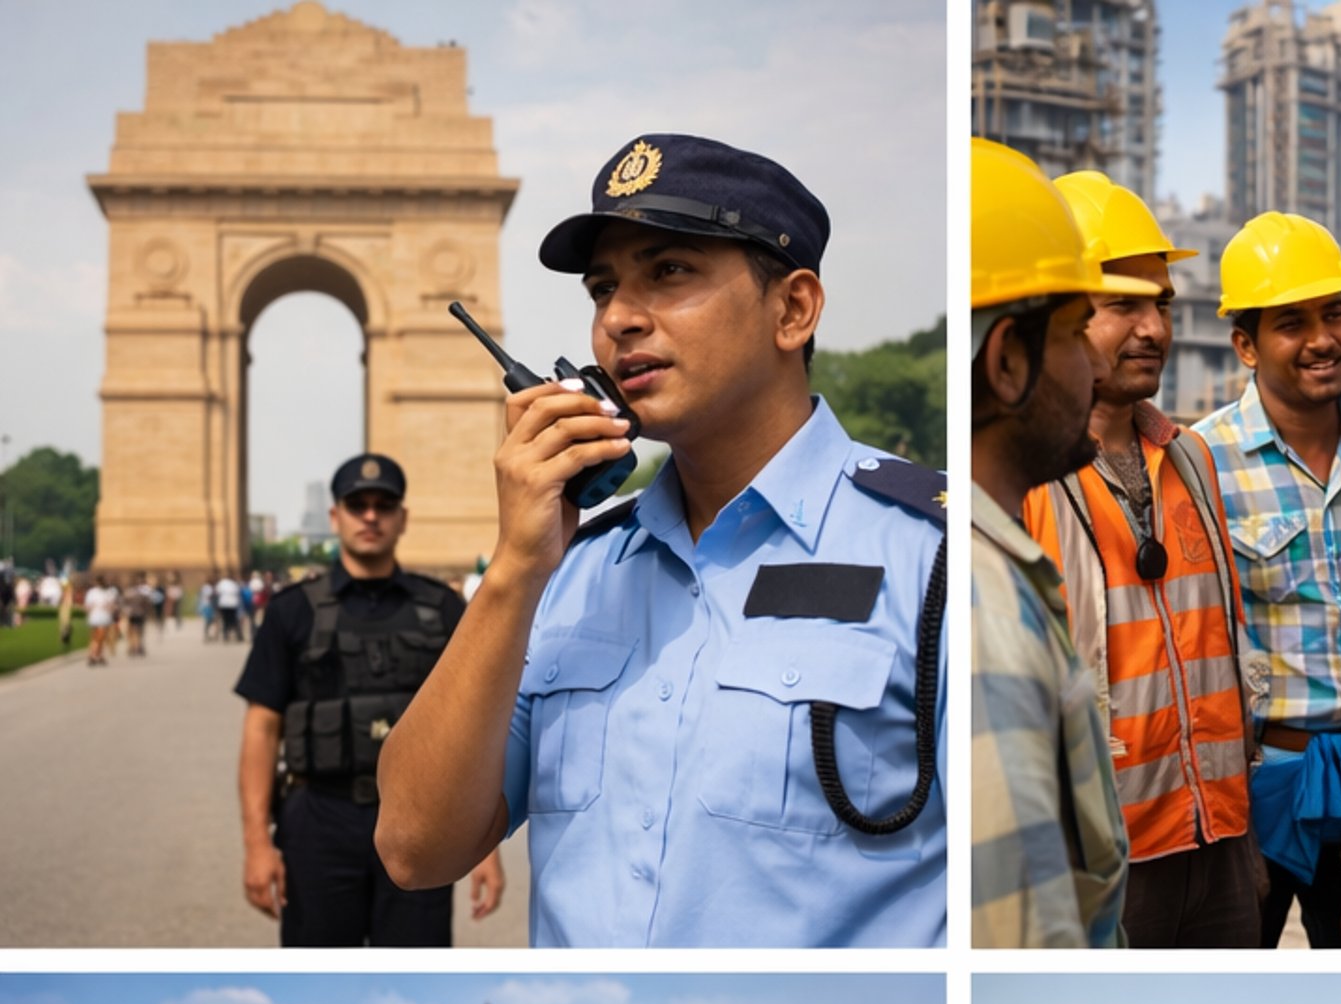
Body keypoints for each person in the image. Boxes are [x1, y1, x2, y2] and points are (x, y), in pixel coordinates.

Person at [375, 135, 947, 949]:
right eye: (602, 288)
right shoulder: (568, 570)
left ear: (793, 310)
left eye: (670, 271)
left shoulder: (935, 557)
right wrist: (513, 570)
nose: (618, 318)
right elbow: (414, 848)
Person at [1023, 171, 1259, 949]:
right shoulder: (1028, 479)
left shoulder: (1191, 458)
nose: (1152, 327)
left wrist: (1241, 837)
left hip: (1218, 835)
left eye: (1161, 303)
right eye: (1122, 304)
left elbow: (1222, 643)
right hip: (1100, 853)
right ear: (1058, 313)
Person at [1194, 214, 1341, 949]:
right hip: (1261, 785)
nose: (1322, 339)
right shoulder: (1202, 464)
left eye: (1334, 314)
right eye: (1292, 323)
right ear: (1246, 345)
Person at [970, 138, 1145, 948]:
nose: (1096, 367)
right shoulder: (985, 611)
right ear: (1008, 360)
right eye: (1079, 333)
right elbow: (1023, 937)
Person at [234, 453, 504, 947]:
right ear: (335, 516)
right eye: (358, 505)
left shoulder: (442, 608)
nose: (371, 516)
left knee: (414, 972)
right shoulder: (291, 611)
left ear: (403, 517)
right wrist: (256, 844)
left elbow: (473, 730)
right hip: (317, 820)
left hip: (420, 822)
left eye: (385, 505)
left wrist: (484, 845)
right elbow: (262, 728)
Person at [83, 574, 116, 666]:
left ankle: (98, 655)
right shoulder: (104, 593)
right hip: (100, 617)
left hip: (98, 617)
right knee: (99, 638)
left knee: (97, 638)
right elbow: (111, 607)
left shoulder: (104, 592)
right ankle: (94, 655)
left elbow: (87, 607)